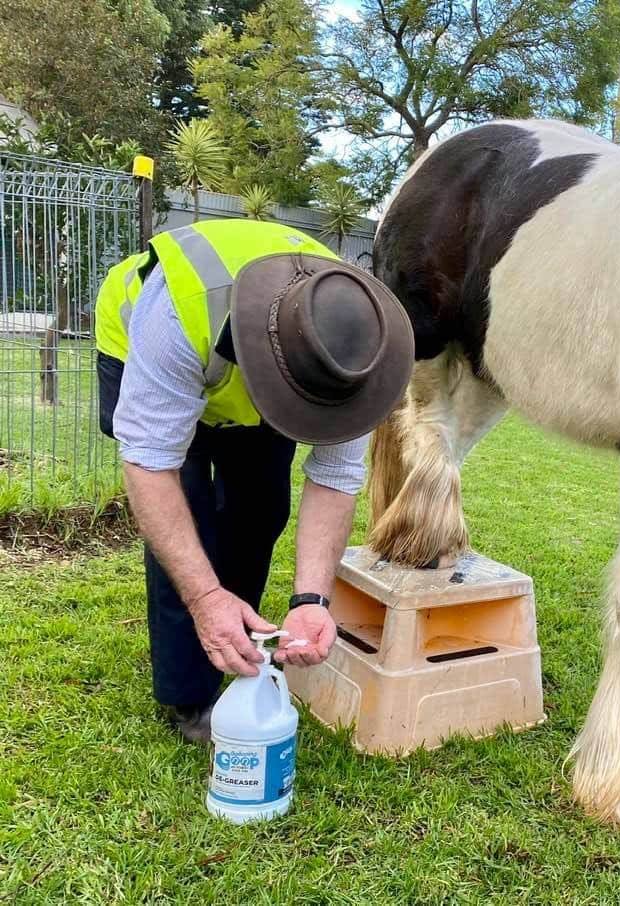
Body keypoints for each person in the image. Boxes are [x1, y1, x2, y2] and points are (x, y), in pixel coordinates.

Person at [94, 218, 413, 743]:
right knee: (190, 514)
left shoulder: (355, 351)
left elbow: (335, 475)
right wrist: (204, 598)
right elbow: (151, 465)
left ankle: (239, 642)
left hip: (273, 361)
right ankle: (189, 694)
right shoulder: (179, 311)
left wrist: (312, 600)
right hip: (145, 346)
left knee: (260, 507)